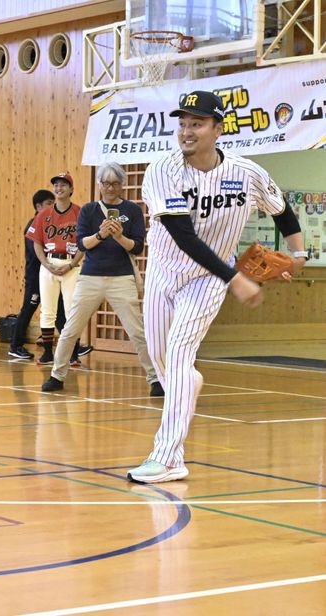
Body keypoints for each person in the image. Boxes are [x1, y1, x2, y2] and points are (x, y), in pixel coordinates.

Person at [128, 90, 306, 484]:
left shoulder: (247, 173)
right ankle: (187, 380)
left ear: (218, 129)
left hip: (208, 280)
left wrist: (299, 254)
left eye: (197, 123)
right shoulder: (162, 169)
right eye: (183, 123)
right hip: (164, 273)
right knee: (162, 359)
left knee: (177, 352)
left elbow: (282, 211)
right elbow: (183, 236)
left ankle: (168, 456)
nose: (186, 131)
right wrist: (237, 279)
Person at [42, 163, 162, 396]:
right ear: (99, 185)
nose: (110, 188)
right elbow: (81, 244)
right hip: (90, 277)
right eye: (105, 183)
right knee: (70, 329)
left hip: (122, 277)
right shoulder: (88, 210)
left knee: (137, 332)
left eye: (115, 183)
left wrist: (118, 236)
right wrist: (100, 234)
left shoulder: (134, 210)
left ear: (122, 185)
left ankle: (155, 378)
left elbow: (137, 247)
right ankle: (57, 374)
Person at [9, 190, 92, 361]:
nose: (52, 205)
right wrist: (49, 264)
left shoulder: (55, 220)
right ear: (38, 206)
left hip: (58, 273)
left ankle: (69, 345)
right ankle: (15, 345)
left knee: (62, 310)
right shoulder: (35, 224)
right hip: (36, 276)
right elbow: (38, 249)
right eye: (48, 203)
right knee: (30, 308)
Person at [26, 173, 89, 366]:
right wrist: (45, 264)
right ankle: (47, 353)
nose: (59, 188)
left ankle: (72, 354)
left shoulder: (79, 212)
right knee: (48, 311)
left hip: (72, 265)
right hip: (50, 265)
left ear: (71, 190)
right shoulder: (44, 215)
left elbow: (84, 243)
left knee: (72, 311)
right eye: (56, 185)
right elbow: (37, 242)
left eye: (64, 185)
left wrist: (72, 264)